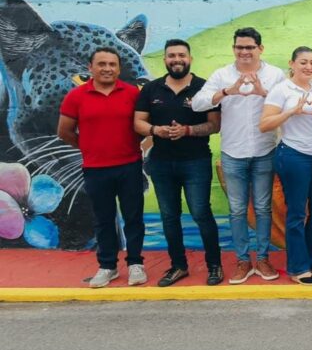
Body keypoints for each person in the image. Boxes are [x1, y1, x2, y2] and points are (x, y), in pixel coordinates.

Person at [192, 27, 285, 284]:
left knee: (264, 208)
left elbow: (289, 103)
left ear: (260, 49)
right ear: (234, 49)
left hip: (265, 150)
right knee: (236, 210)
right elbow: (198, 102)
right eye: (239, 47)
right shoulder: (222, 74)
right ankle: (243, 260)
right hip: (233, 152)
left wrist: (263, 92)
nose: (244, 52)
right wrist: (226, 92)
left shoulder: (275, 74)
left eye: (250, 47)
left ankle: (263, 258)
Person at [133, 39, 223, 287]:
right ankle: (178, 266)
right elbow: (138, 122)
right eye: (171, 55)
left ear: (190, 58)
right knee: (169, 216)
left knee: (201, 213)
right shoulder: (151, 89)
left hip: (196, 162)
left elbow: (215, 125)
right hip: (161, 163)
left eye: (181, 55)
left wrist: (188, 130)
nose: (176, 59)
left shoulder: (204, 87)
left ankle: (214, 265)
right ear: (165, 60)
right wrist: (155, 130)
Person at [58, 47, 146, 288]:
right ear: (91, 68)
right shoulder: (76, 96)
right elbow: (64, 131)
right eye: (102, 64)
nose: (107, 68)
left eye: (112, 64)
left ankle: (136, 263)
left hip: (129, 166)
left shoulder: (131, 94)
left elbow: (142, 125)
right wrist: (87, 147)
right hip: (95, 169)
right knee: (103, 219)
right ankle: (108, 266)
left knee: (133, 217)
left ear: (118, 68)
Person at [259, 47, 312, 285]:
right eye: (303, 62)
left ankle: (311, 260)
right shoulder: (281, 90)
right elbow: (265, 124)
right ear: (291, 63)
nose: (309, 67)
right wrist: (292, 110)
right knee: (297, 213)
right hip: (294, 155)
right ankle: (298, 267)